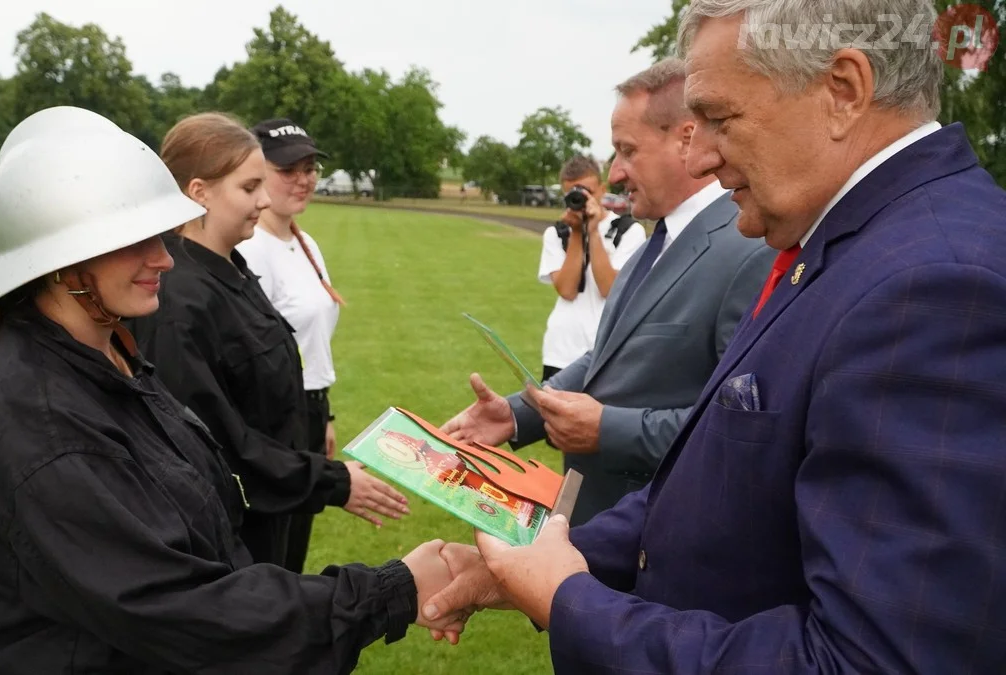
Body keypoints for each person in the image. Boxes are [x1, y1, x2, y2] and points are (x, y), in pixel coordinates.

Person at [427, 1, 1006, 672]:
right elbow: (715, 485)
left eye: (720, 119)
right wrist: (539, 563)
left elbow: (869, 660)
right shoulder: (841, 244)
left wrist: (570, 597)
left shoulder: (935, 284)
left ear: (843, 91)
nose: (699, 155)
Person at [0, 106, 466, 674]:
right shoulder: (39, 422)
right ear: (64, 258)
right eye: (134, 241)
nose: (163, 257)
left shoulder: (107, 356)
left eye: (160, 235)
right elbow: (175, 608)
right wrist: (391, 593)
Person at [442, 58, 774, 523]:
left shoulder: (749, 250)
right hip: (600, 531)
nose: (615, 173)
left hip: (659, 538)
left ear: (687, 139)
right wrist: (518, 414)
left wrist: (607, 430)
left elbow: (737, 430)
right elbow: (606, 358)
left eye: (627, 150)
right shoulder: (649, 249)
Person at [128, 113, 408, 570]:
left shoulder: (230, 266)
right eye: (248, 187)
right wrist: (331, 482)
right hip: (229, 526)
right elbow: (218, 443)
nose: (262, 201)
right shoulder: (179, 300)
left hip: (272, 499)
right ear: (198, 192)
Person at [234, 118, 344, 574]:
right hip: (275, 418)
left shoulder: (304, 240)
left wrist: (324, 414)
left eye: (309, 167)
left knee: (293, 549)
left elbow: (310, 340)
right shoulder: (251, 247)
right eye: (288, 169)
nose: (303, 179)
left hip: (310, 411)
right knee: (270, 555)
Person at [539, 155, 647, 381]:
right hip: (561, 351)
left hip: (604, 351)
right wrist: (578, 232)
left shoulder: (628, 231)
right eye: (572, 193)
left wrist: (594, 231)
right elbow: (567, 290)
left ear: (601, 189)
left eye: (586, 191)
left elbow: (609, 288)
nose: (580, 198)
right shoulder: (557, 234)